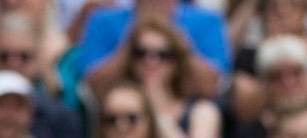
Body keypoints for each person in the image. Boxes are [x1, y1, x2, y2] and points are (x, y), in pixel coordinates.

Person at [114, 16, 224, 138]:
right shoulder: (116, 108)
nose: (150, 61)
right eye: (141, 53)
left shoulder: (202, 110)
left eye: (163, 55)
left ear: (177, 61)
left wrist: (159, 117)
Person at [74, 0, 230, 97]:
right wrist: (137, 31)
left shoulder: (209, 20)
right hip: (122, 120)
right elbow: (95, 88)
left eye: (163, 55)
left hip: (187, 121)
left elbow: (209, 86)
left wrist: (167, 29)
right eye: (142, 54)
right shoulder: (102, 20)